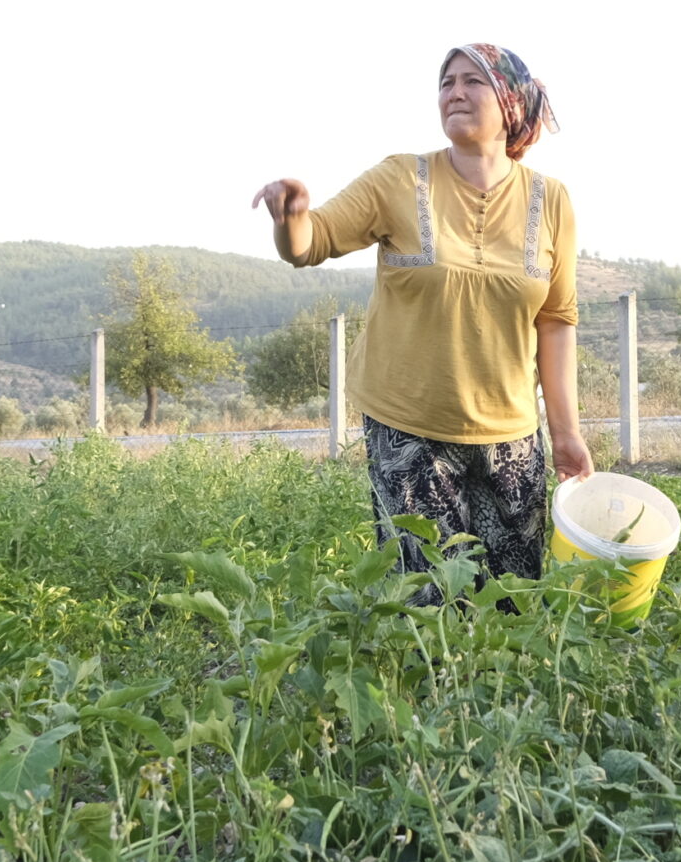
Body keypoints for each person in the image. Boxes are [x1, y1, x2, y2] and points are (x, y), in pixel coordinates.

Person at [251, 44, 590, 599]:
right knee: (429, 597)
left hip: (511, 435)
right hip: (409, 428)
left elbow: (555, 320)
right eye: (445, 82)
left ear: (509, 101)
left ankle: (497, 690)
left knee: (513, 596)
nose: (454, 92)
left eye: (471, 82)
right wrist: (291, 218)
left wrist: (567, 433)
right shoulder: (399, 179)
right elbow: (314, 242)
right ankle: (428, 689)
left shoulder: (551, 200)